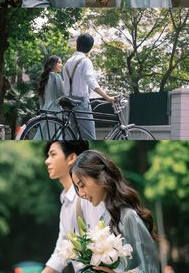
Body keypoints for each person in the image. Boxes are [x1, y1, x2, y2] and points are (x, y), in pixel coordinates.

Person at [70, 149, 160, 273]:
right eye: (77, 187)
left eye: (82, 185)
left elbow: (150, 268)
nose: (80, 193)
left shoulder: (128, 216)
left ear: (100, 177)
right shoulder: (105, 218)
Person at [43, 140, 106, 273]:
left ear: (71, 158)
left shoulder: (87, 197)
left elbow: (101, 239)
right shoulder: (66, 202)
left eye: (53, 154)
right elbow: (61, 250)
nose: (47, 161)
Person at [63, 34, 114, 140]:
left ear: (77, 44)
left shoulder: (67, 62)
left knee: (72, 137)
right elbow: (91, 81)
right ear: (90, 48)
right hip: (81, 103)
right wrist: (107, 97)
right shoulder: (85, 61)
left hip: (68, 103)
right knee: (89, 137)